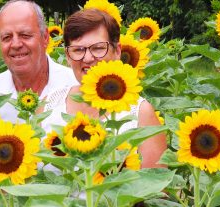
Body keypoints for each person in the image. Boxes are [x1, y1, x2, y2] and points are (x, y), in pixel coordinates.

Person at [40, 9, 166, 168]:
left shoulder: (140, 113)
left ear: (118, 51)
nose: (87, 58)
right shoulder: (49, 105)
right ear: (67, 55)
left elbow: (156, 186)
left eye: (98, 48)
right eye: (78, 50)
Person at [0, 0, 78, 123]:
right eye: (7, 37)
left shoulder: (75, 86)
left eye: (25, 35)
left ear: (45, 37)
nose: (16, 44)